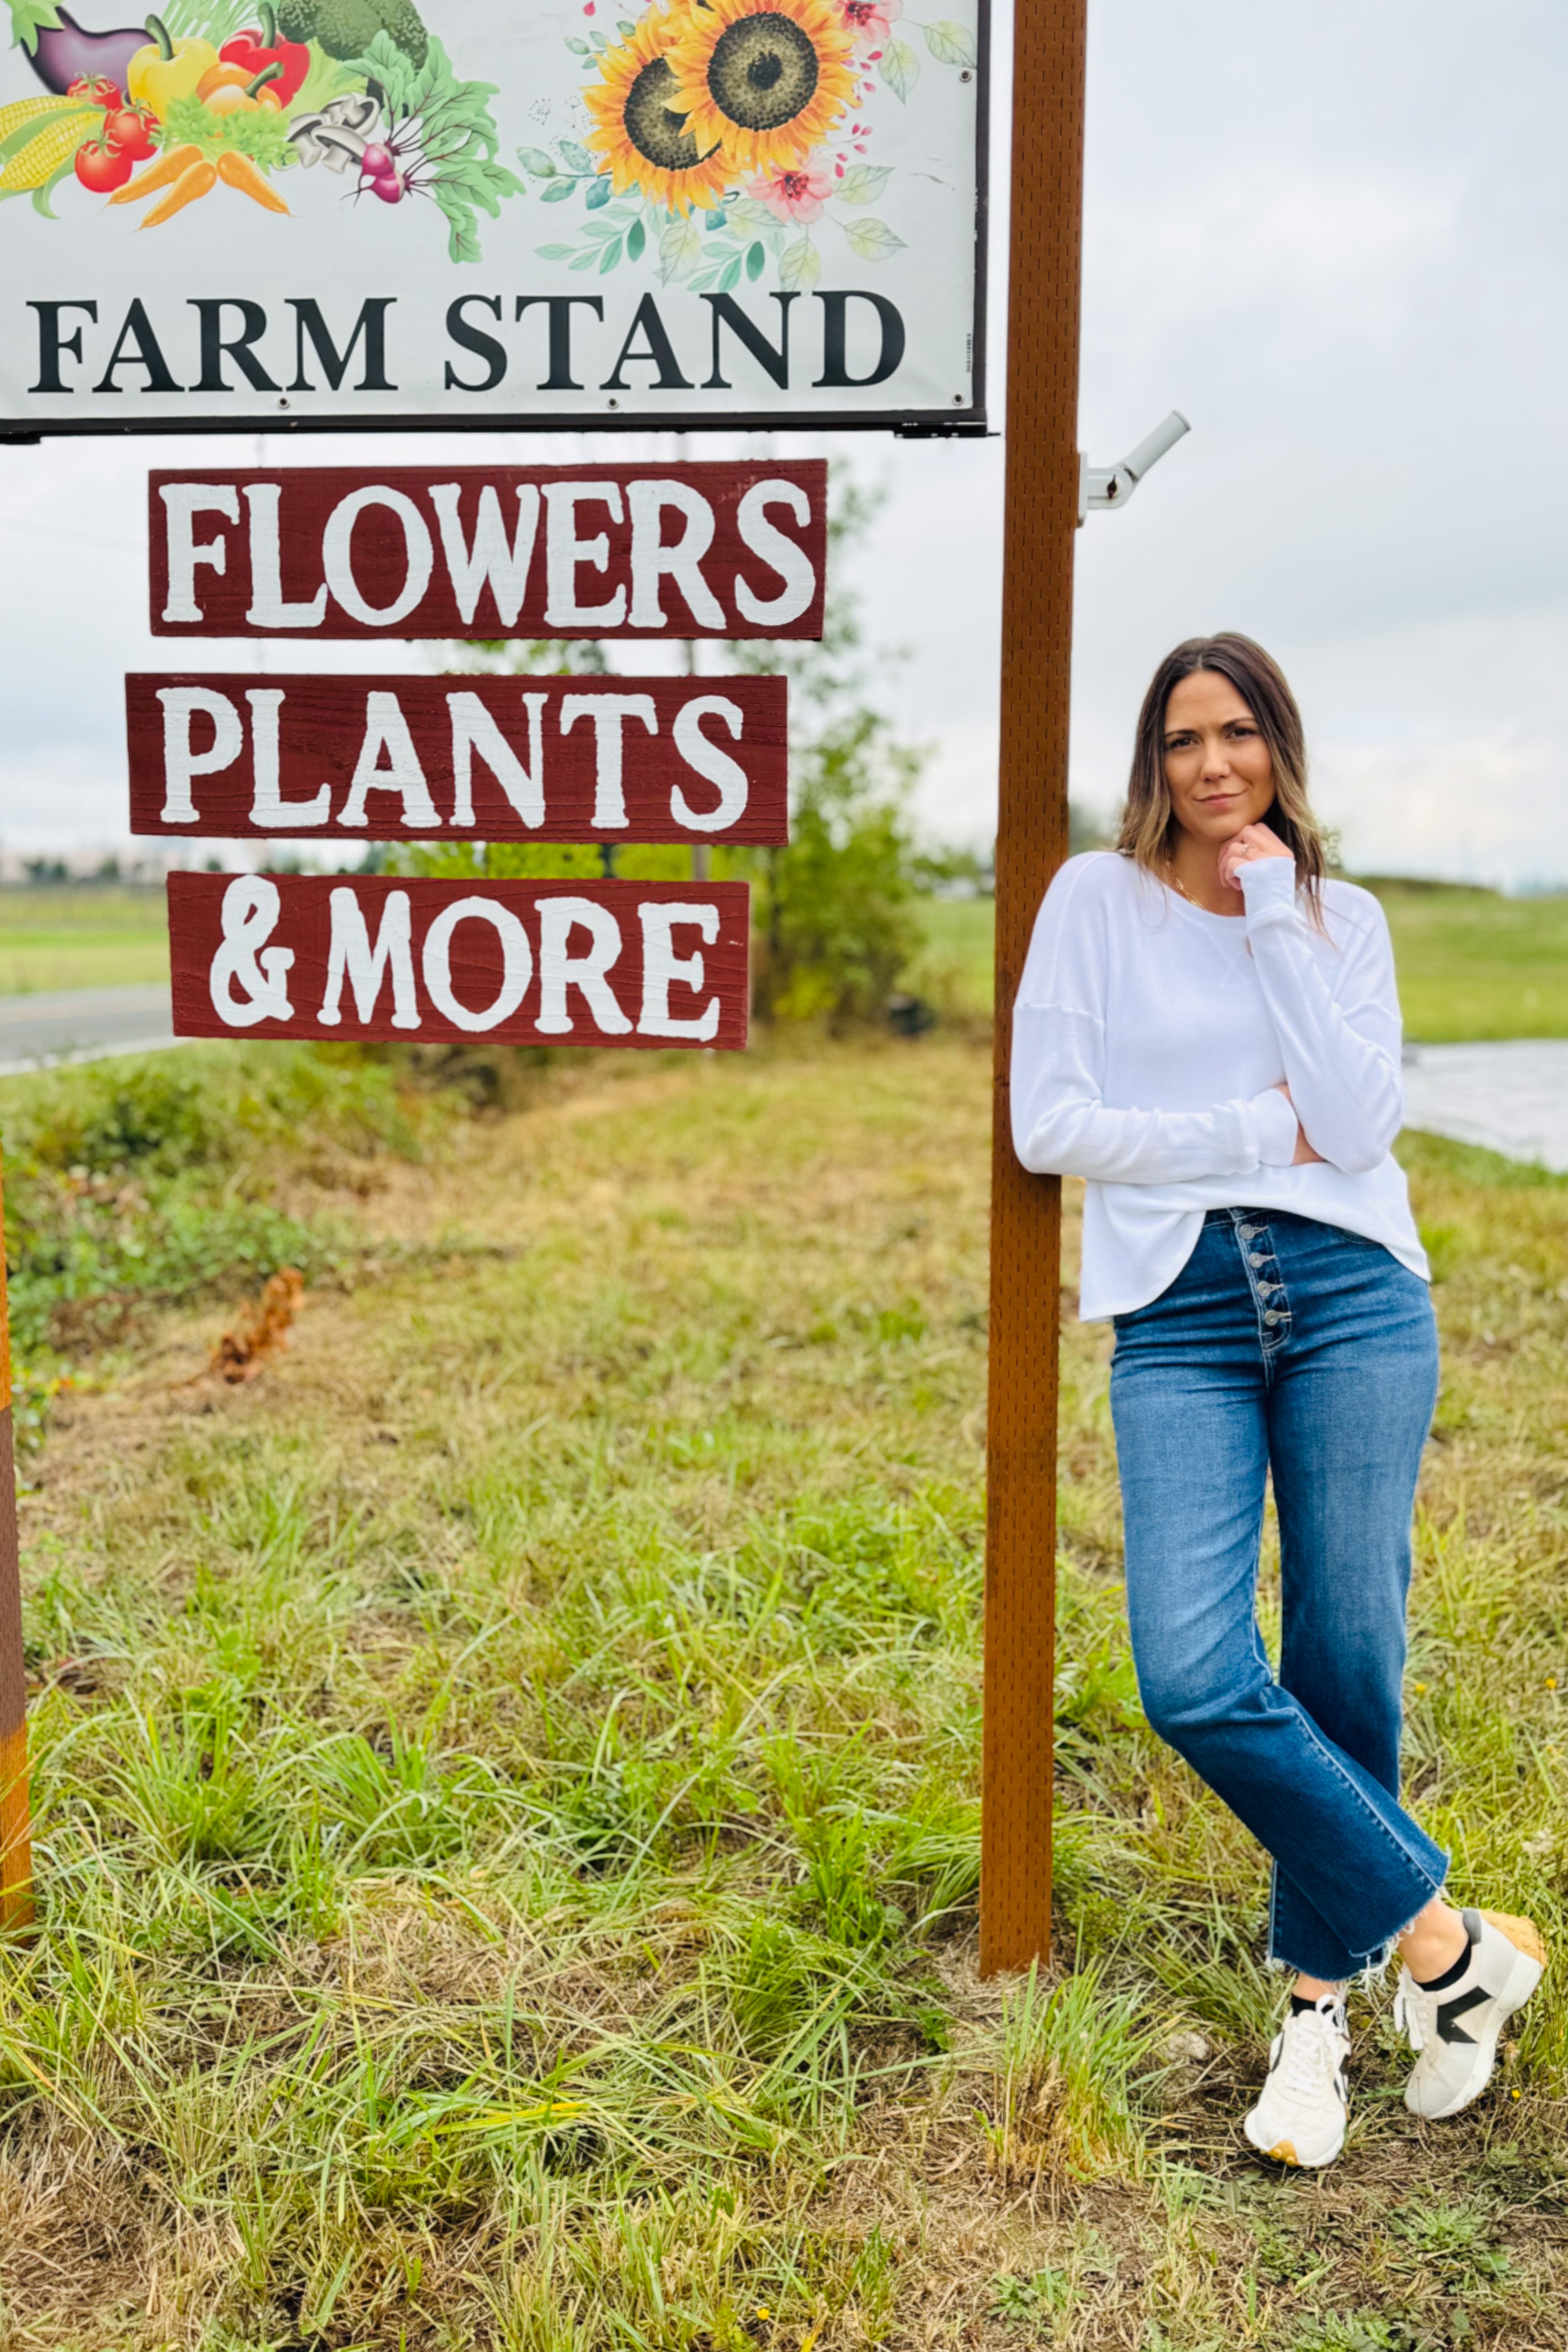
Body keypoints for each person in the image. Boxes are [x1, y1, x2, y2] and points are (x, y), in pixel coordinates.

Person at [1009, 632, 1545, 2169]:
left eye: (1237, 734)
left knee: (1344, 1648)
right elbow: (1052, 1125)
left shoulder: (1335, 918)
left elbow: (1363, 1121)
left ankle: (1315, 2019)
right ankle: (1449, 1951)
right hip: (1177, 1312)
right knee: (1188, 1670)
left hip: (1354, 1301)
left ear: (1278, 749)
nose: (1210, 764)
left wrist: (1266, 913)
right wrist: (1256, 1128)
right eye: (1182, 739)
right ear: (1149, 761)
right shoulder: (1090, 904)